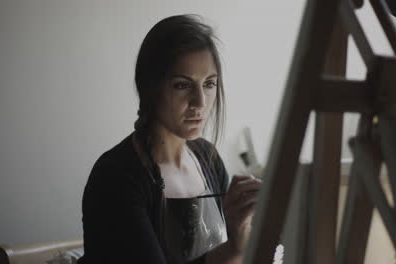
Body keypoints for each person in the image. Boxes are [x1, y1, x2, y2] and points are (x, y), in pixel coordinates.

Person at [78, 14, 261, 264]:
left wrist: (243, 229)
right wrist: (234, 249)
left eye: (209, 84)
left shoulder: (208, 159)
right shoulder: (116, 176)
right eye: (182, 86)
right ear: (150, 88)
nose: (200, 102)